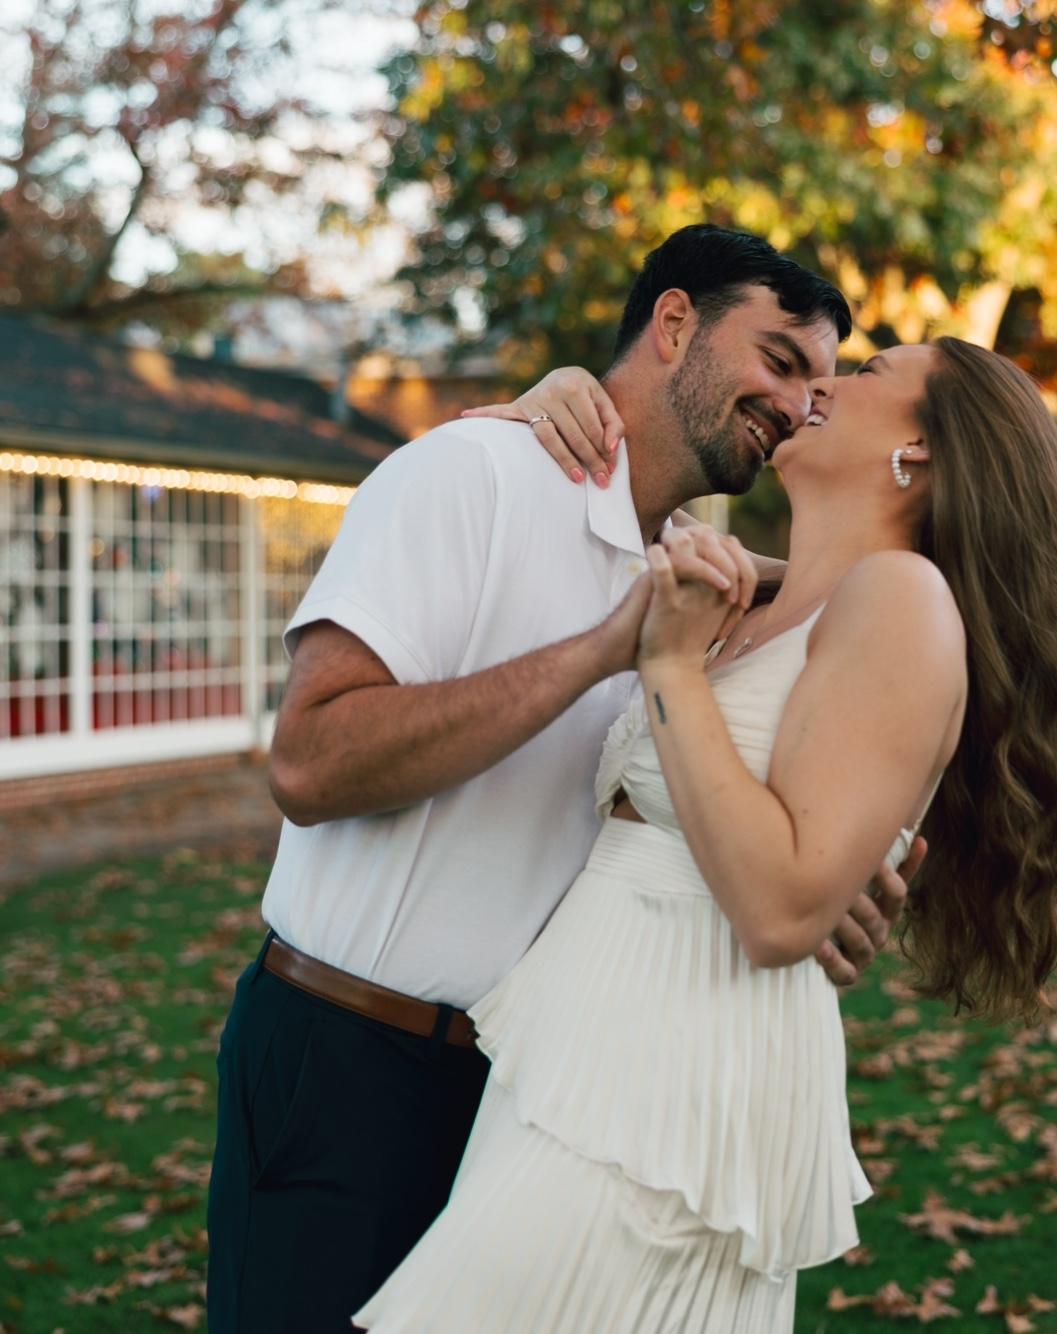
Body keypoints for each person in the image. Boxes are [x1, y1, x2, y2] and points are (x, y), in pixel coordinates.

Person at [204, 226, 920, 1334]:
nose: (797, 404)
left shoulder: (710, 578)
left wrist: (837, 880)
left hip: (545, 1104)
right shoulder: (473, 473)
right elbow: (308, 761)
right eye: (779, 361)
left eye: (819, 385)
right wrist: (598, 651)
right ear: (673, 323)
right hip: (348, 1061)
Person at [352, 337, 1057, 1332]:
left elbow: (779, 910)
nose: (820, 385)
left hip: (678, 1075)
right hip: (587, 1040)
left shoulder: (902, 598)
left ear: (921, 445)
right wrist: (561, 392)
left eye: (868, 373)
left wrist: (669, 668)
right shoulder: (759, 604)